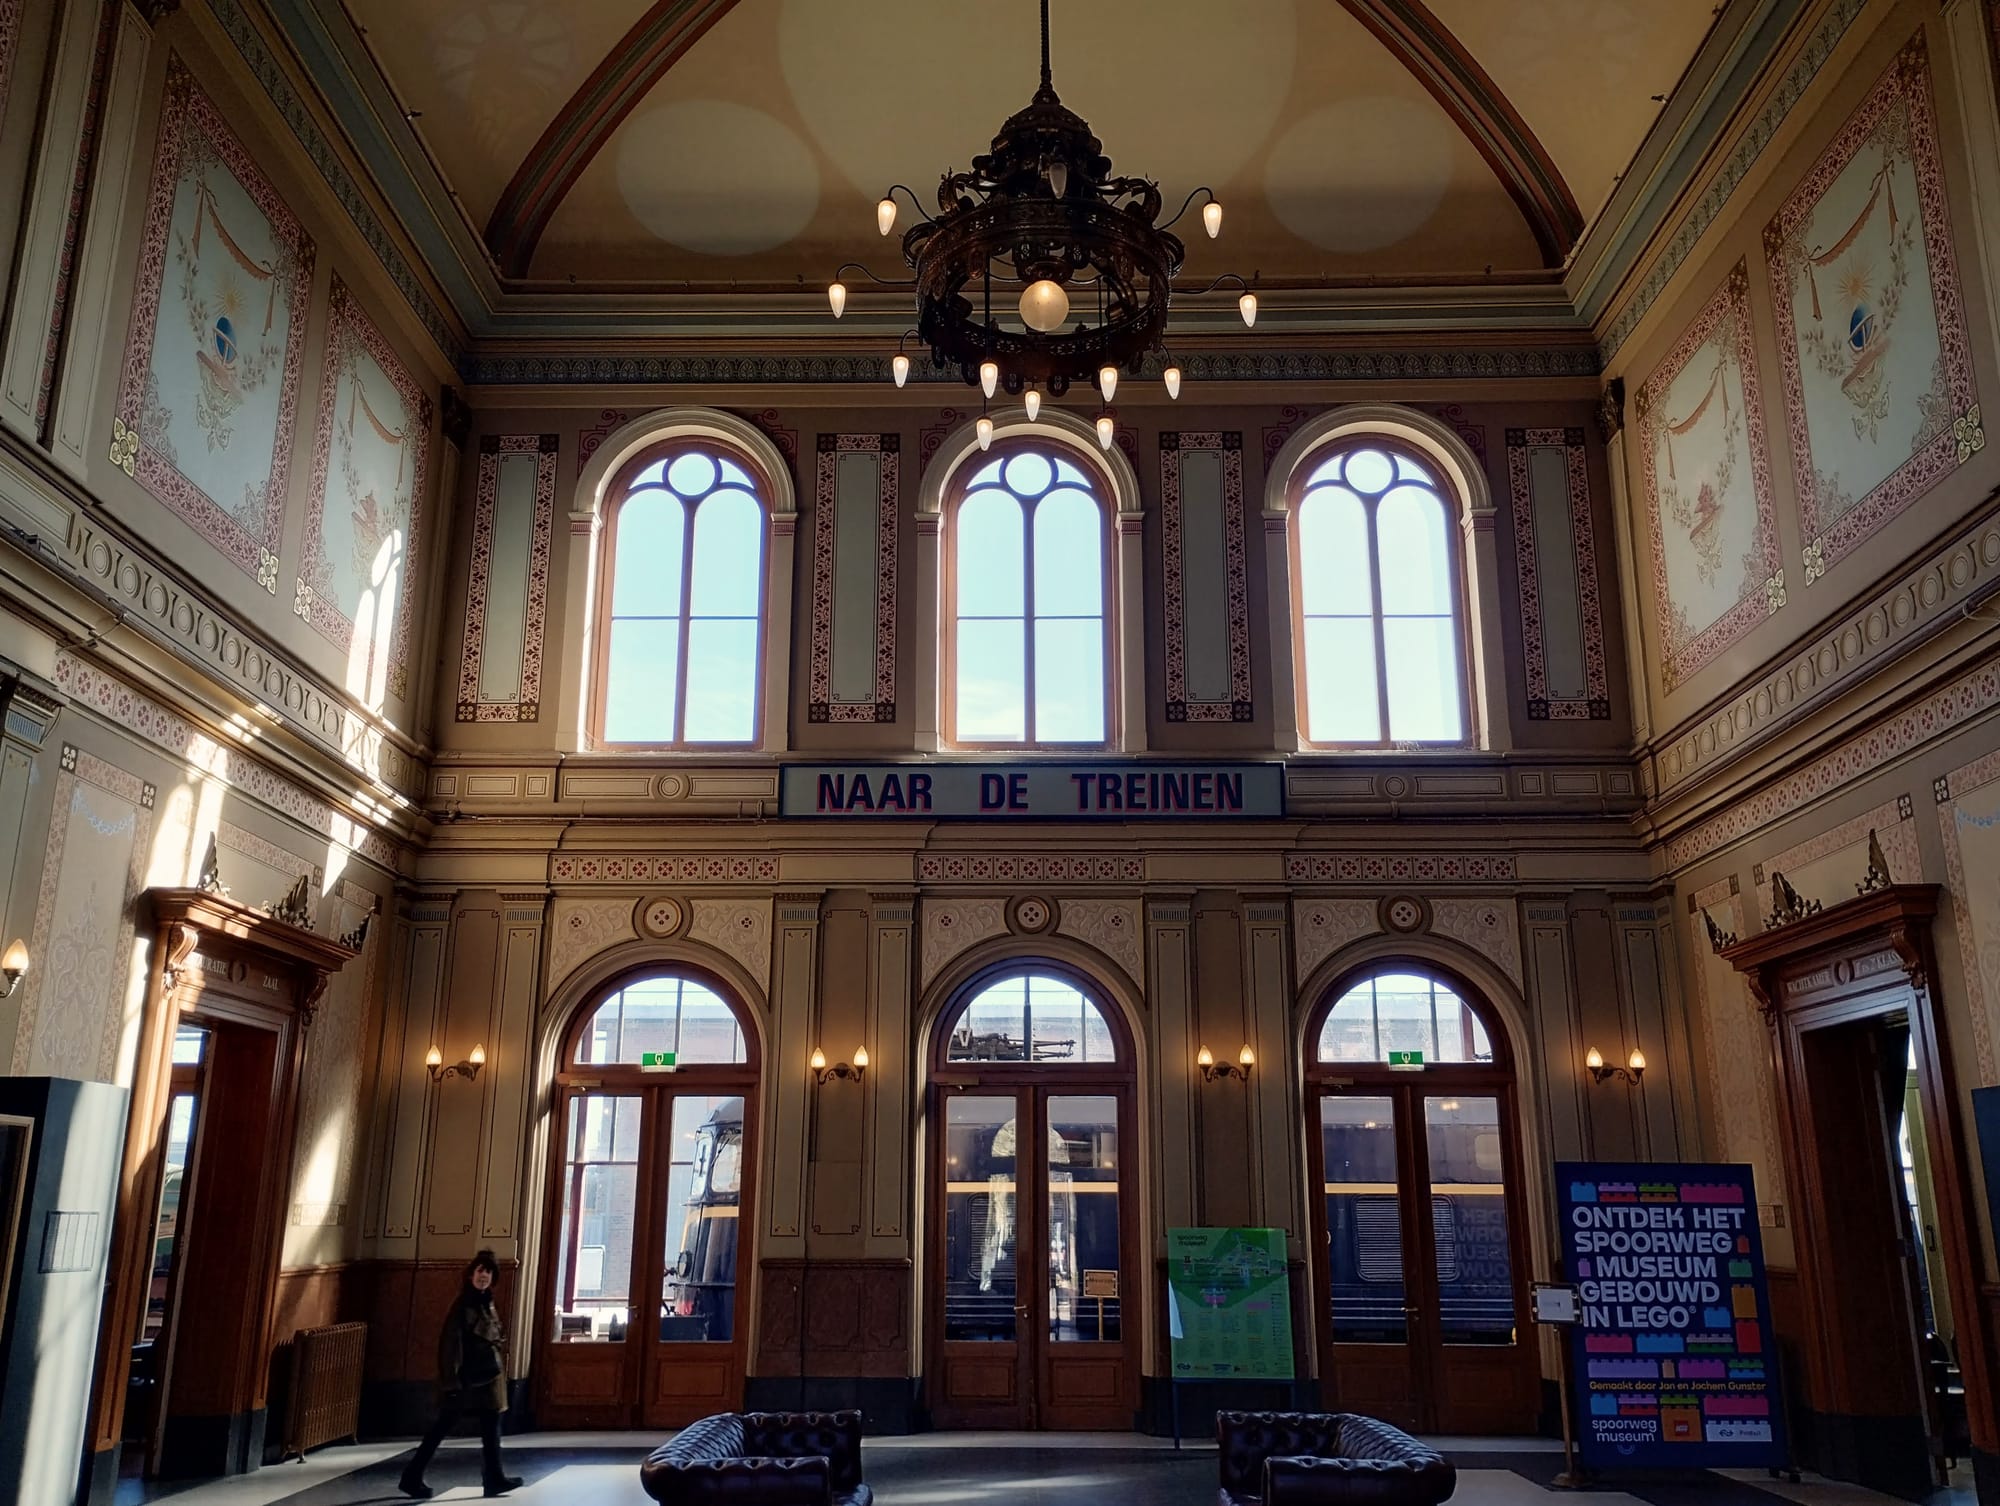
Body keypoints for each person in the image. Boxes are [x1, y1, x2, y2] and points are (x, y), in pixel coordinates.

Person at [400, 1250, 523, 1499]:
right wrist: (451, 1381)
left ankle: (494, 1478)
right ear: (470, 1274)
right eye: (480, 1270)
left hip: (486, 1379)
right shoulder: (465, 1305)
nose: (483, 1276)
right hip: (468, 1381)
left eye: (488, 1272)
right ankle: (412, 1476)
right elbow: (450, 1345)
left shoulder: (485, 1301)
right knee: (443, 1427)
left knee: (489, 1428)